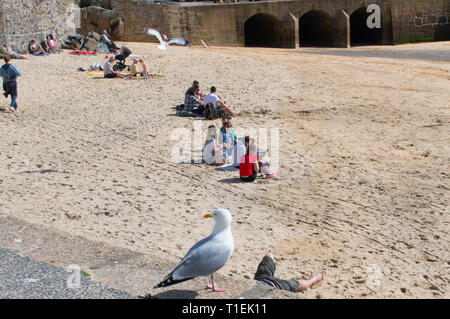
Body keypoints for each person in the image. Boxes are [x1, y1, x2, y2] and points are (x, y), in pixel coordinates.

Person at [254, 253, 325, 292]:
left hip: (260, 278)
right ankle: (315, 279)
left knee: (269, 255)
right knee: (301, 285)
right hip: (276, 286)